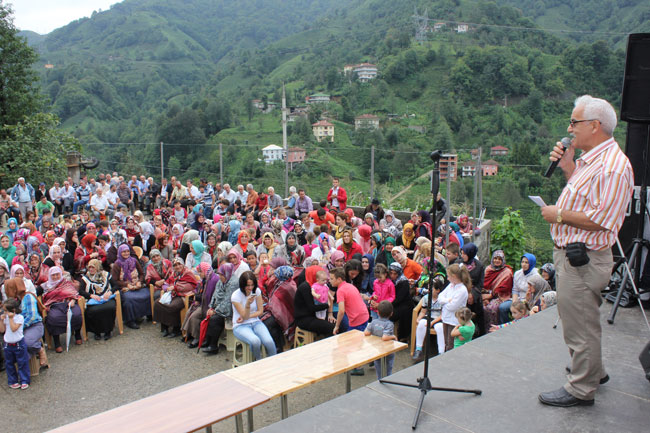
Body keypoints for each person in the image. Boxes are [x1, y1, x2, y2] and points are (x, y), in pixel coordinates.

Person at [537, 95, 634, 407]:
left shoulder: (613, 167)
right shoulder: (590, 161)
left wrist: (558, 215)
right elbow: (586, 201)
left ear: (594, 125)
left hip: (584, 260)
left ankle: (581, 388)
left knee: (581, 325)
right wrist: (568, 167)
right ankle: (594, 371)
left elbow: (604, 220)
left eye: (574, 122)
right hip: (572, 256)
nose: (569, 129)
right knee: (576, 320)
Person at [231, 271, 277, 360]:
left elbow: (260, 311)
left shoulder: (256, 291)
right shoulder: (235, 296)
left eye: (252, 285)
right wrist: (247, 304)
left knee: (269, 341)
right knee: (255, 341)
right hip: (240, 325)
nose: (250, 287)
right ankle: (258, 361)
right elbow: (244, 316)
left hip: (255, 322)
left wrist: (247, 316)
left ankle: (274, 360)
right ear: (242, 285)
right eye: (248, 285)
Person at [153, 257, 198, 337]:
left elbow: (192, 286)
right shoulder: (173, 273)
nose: (177, 266)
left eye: (179, 264)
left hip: (183, 296)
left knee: (172, 306)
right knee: (158, 303)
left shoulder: (188, 273)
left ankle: (176, 328)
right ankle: (164, 327)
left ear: (183, 264)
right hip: (173, 294)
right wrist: (167, 288)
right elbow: (166, 283)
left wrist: (175, 287)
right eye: (175, 265)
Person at [42, 266, 83, 353]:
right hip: (55, 305)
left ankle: (78, 335)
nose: (55, 277)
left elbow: (74, 294)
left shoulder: (66, 283)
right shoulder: (45, 286)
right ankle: (57, 342)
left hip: (68, 303)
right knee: (54, 318)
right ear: (50, 276)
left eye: (57, 274)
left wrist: (73, 300)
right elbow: (38, 295)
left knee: (76, 314)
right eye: (53, 275)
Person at [432, 264, 470, 355]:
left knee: (451, 344)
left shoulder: (462, 290)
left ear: (454, 276)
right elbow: (440, 297)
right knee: (446, 342)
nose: (447, 278)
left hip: (454, 321)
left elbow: (452, 306)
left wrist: (444, 302)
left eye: (448, 276)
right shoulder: (451, 285)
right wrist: (447, 300)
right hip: (446, 318)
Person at [182, 262, 219, 348]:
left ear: (205, 271)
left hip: (208, 305)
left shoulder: (213, 280)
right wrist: (197, 297)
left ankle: (197, 338)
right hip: (202, 303)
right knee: (189, 312)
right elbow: (198, 290)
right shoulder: (204, 279)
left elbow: (210, 296)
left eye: (200, 272)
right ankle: (189, 334)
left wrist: (198, 298)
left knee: (194, 316)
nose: (199, 274)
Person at [111, 244, 147, 330]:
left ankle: (142, 315)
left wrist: (139, 282)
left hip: (136, 285)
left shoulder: (134, 261)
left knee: (147, 294)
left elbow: (141, 273)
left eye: (127, 251)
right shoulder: (117, 264)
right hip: (124, 287)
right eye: (124, 252)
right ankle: (130, 320)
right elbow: (114, 281)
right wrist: (126, 284)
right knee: (129, 299)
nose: (126, 253)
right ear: (120, 253)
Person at [80, 259, 116, 340]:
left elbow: (115, 286)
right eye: (89, 267)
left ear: (98, 267)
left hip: (106, 297)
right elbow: (81, 291)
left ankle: (108, 331)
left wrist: (109, 292)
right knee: (93, 311)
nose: (91, 269)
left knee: (110, 308)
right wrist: (91, 295)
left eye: (93, 267)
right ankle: (97, 332)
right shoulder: (86, 278)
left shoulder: (106, 275)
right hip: (94, 300)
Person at [498, 253, 537, 324]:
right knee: (502, 307)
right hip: (518, 298)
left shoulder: (535, 276)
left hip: (529, 301)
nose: (524, 264)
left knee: (521, 311)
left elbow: (533, 293)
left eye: (526, 262)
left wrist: (523, 303)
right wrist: (514, 303)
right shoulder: (518, 273)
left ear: (531, 263)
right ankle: (505, 326)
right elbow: (515, 290)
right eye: (522, 262)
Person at [1, 299, 31, 389]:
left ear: (13, 310)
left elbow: (14, 329)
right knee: (9, 363)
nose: (4, 312)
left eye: (6, 310)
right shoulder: (6, 318)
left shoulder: (19, 318)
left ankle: (24, 380)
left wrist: (10, 319)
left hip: (19, 344)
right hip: (8, 344)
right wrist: (1, 320)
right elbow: (2, 330)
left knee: (22, 363)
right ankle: (12, 381)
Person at [364, 300, 397, 380]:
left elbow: (366, 333)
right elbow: (385, 337)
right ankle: (388, 379)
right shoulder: (389, 324)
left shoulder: (374, 322)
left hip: (377, 349)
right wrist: (393, 337)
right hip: (387, 349)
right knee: (388, 366)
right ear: (391, 313)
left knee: (378, 366)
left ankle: (380, 379)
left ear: (378, 312)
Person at [330, 267, 369, 334]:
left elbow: (341, 311)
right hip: (365, 316)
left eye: (331, 279)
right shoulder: (350, 285)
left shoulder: (340, 291)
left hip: (357, 321)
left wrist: (337, 326)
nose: (330, 281)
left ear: (339, 279)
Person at [482, 250, 514, 328]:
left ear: (503, 260)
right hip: (486, 294)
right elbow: (484, 285)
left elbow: (504, 289)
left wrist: (490, 296)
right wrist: (485, 297)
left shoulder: (507, 272)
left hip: (501, 297)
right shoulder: (488, 269)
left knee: (491, 308)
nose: (497, 261)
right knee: (479, 306)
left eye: (500, 259)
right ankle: (482, 330)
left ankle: (494, 328)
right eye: (495, 258)